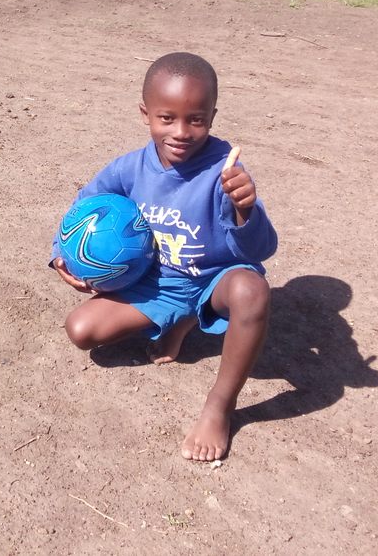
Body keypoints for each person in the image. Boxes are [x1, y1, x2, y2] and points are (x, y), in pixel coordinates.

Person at [51, 52, 277, 461]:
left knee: (252, 291)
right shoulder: (128, 169)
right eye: (167, 118)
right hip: (158, 284)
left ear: (212, 116)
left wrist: (246, 209)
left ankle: (219, 406)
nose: (181, 132)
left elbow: (261, 249)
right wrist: (61, 257)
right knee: (81, 330)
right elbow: (84, 207)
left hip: (213, 281)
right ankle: (179, 320)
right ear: (146, 114)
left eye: (197, 119)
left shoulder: (225, 171)